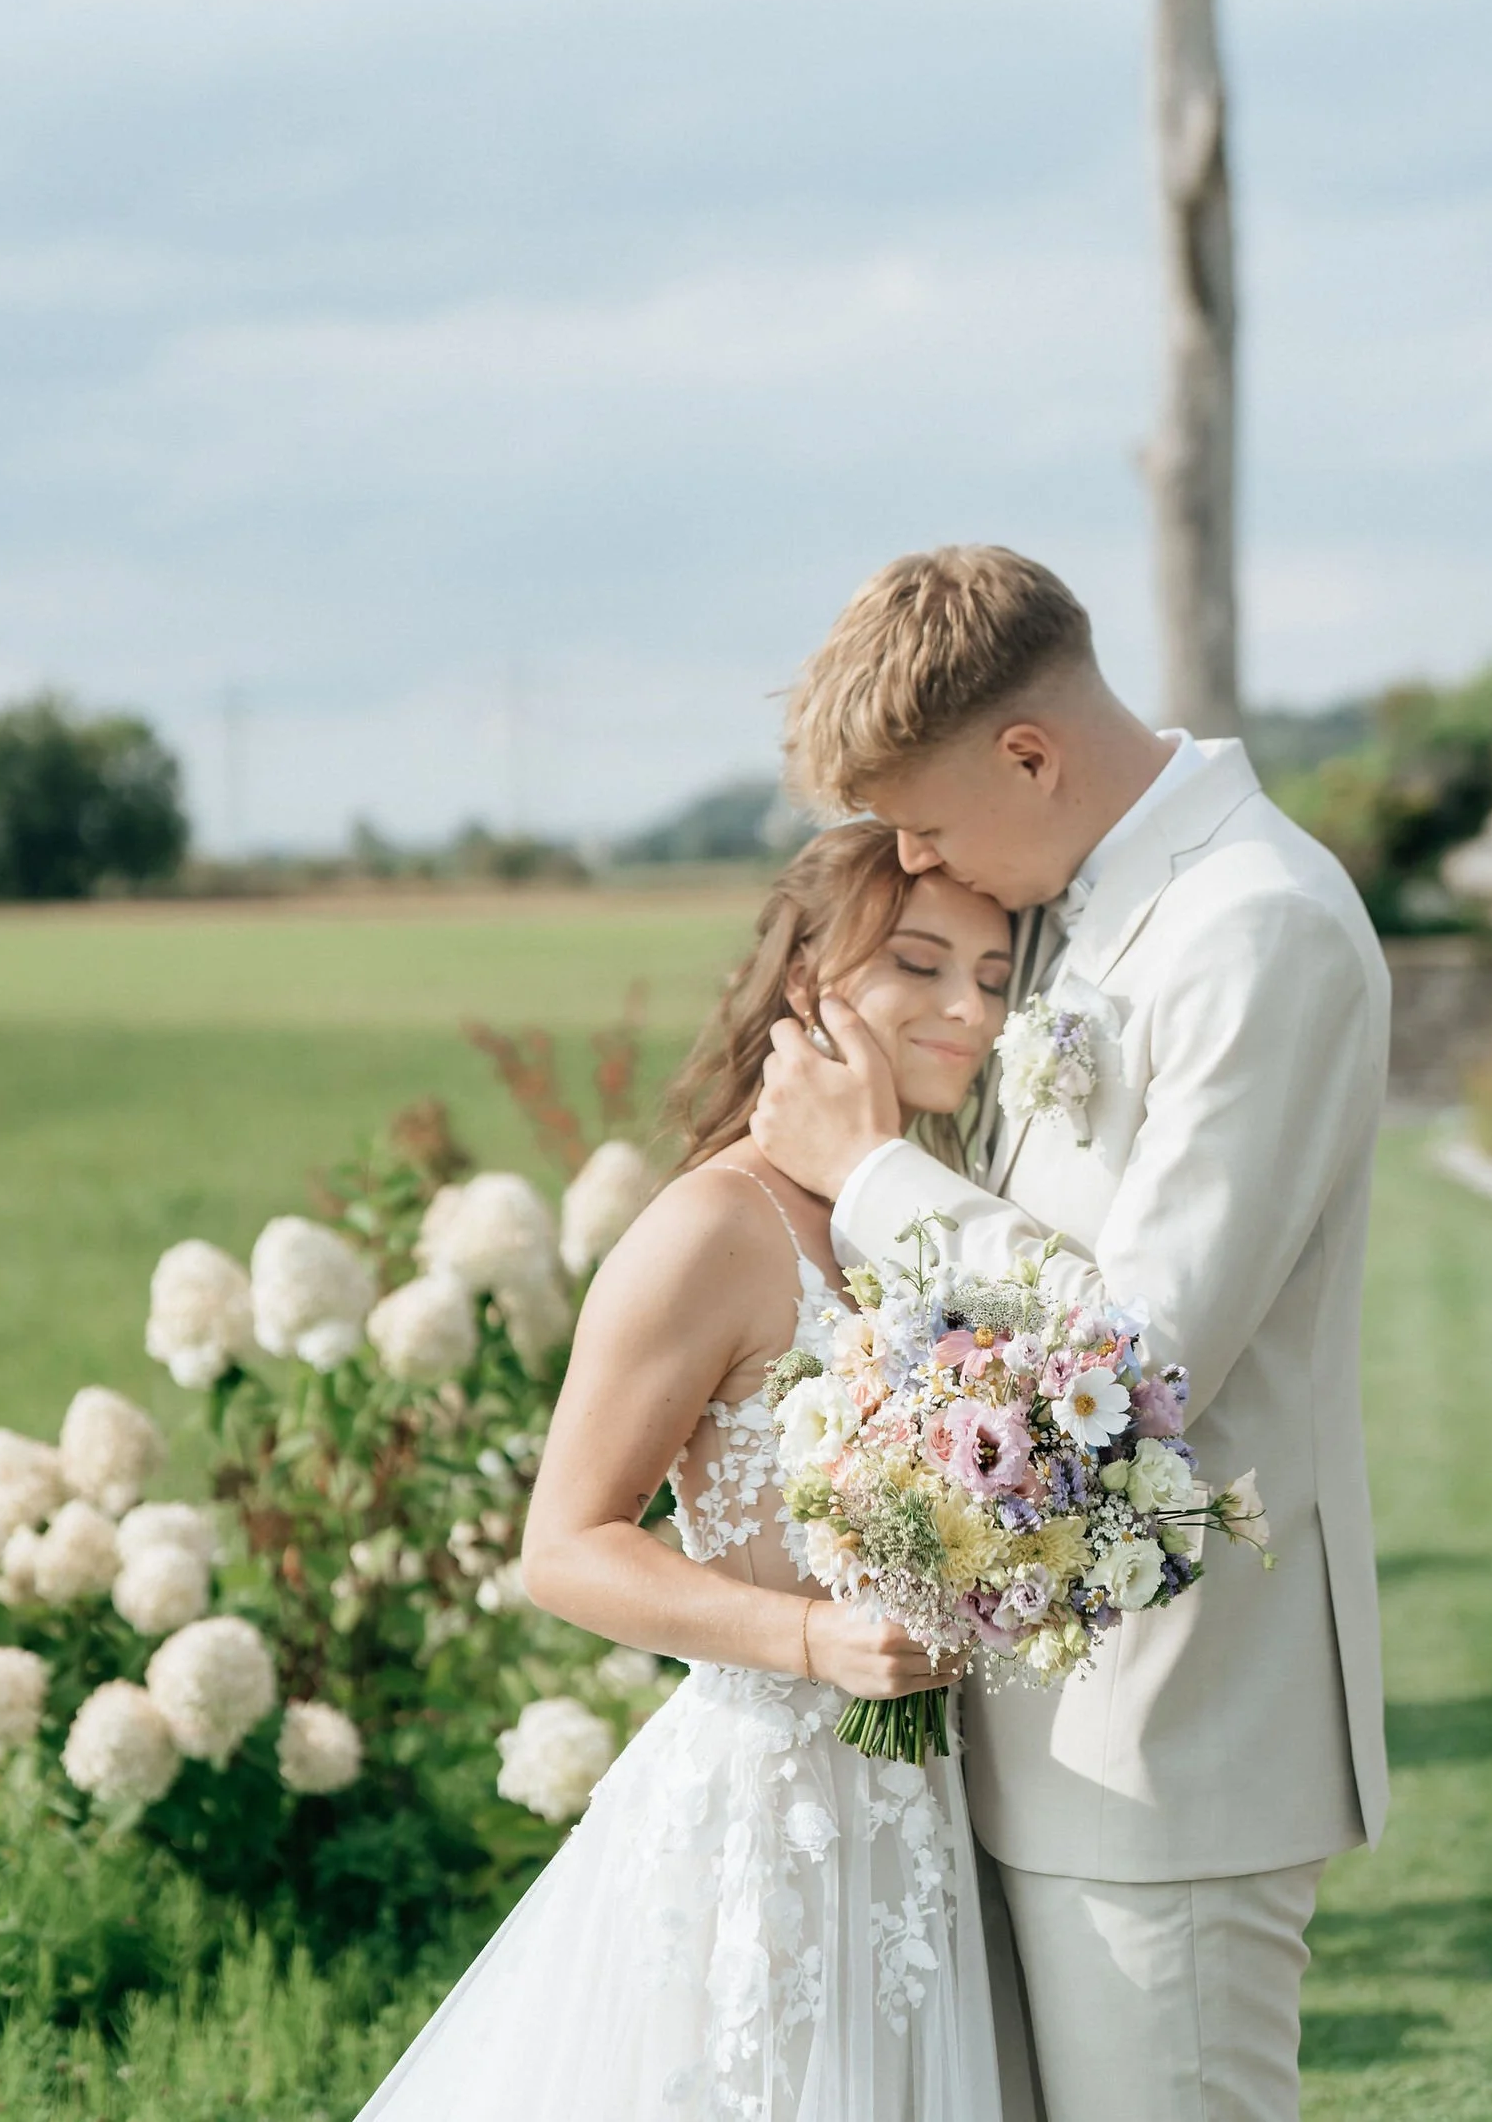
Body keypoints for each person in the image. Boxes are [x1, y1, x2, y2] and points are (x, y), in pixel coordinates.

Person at [752, 546, 1391, 2122]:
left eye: (927, 820)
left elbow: (1142, 1356)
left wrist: (873, 1175)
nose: (915, 857)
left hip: (1170, 1736)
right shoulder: (1069, 906)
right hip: (1028, 1719)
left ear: (1030, 753)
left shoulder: (1259, 926)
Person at [354, 821, 1013, 2122]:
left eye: (995, 977)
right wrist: (817, 1636)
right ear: (810, 978)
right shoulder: (717, 1226)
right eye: (922, 963)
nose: (966, 1008)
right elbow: (566, 1543)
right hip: (768, 1821)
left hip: (921, 1809)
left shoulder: (923, 1209)